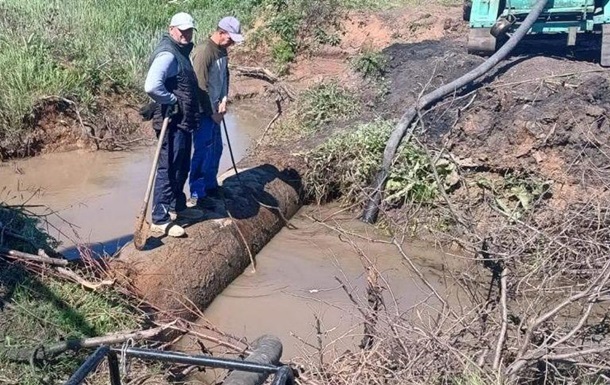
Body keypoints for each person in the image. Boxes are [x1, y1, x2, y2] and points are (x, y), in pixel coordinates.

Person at [143, 12, 204, 237]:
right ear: (171, 29)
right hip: (171, 121)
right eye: (182, 31)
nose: (186, 34)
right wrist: (170, 100)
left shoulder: (180, 51)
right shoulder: (168, 54)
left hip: (182, 120)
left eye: (189, 31)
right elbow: (152, 86)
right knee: (168, 168)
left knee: (182, 165)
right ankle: (159, 219)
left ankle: (177, 207)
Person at [189, 16, 244, 206]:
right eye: (230, 39)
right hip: (203, 111)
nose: (231, 44)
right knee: (202, 151)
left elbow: (224, 76)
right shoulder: (205, 52)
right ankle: (197, 192)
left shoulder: (222, 51)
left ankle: (211, 186)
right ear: (221, 33)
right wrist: (211, 112)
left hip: (215, 109)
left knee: (217, 148)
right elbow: (199, 87)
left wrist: (224, 99)